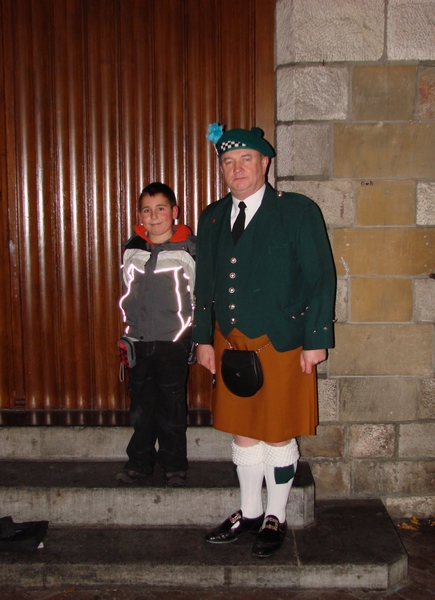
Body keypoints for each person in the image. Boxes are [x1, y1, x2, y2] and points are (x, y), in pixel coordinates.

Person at [193, 126, 336, 557]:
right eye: (228, 162)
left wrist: (317, 338)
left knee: (277, 434)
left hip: (283, 345)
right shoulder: (213, 215)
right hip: (229, 342)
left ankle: (277, 514)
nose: (236, 170)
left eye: (246, 160)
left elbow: (320, 278)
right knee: (243, 434)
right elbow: (206, 285)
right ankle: (249, 511)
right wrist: (203, 340)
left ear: (266, 164)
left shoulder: (297, 211)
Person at [117, 182, 196, 488]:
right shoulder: (132, 248)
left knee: (172, 407)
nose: (154, 216)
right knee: (141, 407)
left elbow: (199, 296)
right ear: (139, 214)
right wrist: (129, 330)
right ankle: (139, 461)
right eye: (147, 210)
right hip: (138, 342)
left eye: (161, 209)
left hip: (173, 342)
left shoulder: (189, 249)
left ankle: (174, 465)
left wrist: (195, 336)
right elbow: (127, 290)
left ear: (174, 212)